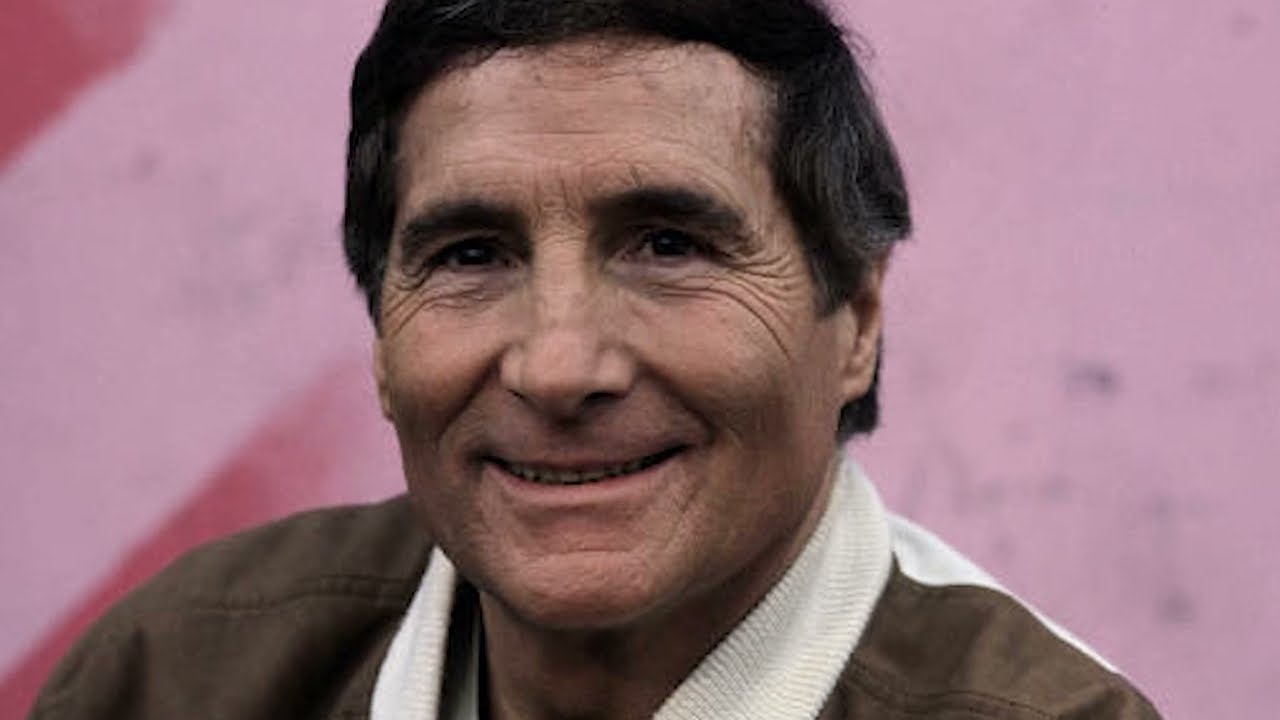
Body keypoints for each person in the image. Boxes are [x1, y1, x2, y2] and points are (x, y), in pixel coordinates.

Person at [32, 1, 1161, 718]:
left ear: (855, 323)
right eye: (471, 255)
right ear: (381, 335)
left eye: (669, 245)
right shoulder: (177, 676)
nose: (559, 365)